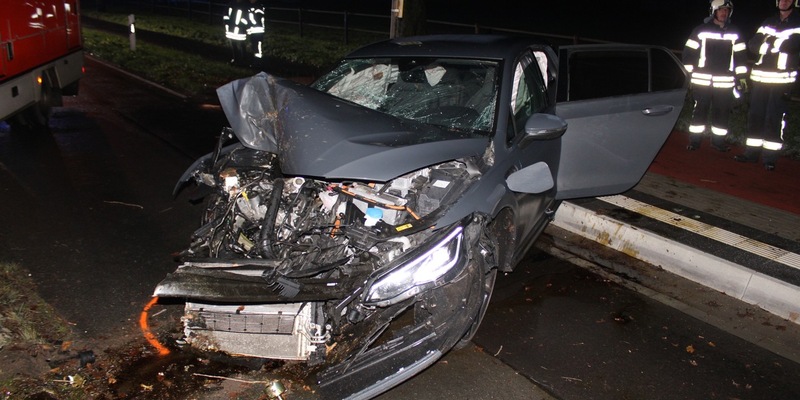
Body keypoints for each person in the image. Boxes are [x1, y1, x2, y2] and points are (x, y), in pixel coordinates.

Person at [735, 0, 800, 170]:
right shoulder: (768, 22)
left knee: (775, 118)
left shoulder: (798, 22)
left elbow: (793, 45)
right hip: (760, 78)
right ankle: (751, 153)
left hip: (782, 80)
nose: (784, 2)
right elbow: (753, 45)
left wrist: (770, 43)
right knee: (755, 116)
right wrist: (776, 44)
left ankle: (770, 158)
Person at [682, 0, 748, 152]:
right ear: (714, 11)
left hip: (725, 83)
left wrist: (742, 78)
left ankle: (718, 142)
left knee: (722, 113)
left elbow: (741, 58)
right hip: (702, 81)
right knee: (700, 113)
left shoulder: (735, 33)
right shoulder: (700, 30)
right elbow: (688, 55)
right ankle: (695, 142)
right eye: (721, 10)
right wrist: (689, 76)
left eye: (727, 10)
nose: (724, 13)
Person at [224, 0, 248, 66]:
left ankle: (243, 60)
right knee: (234, 45)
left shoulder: (244, 5)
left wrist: (242, 25)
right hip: (232, 29)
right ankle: (236, 59)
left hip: (240, 30)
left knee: (241, 44)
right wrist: (227, 23)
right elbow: (226, 15)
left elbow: (246, 18)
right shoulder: (231, 4)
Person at [245, 0, 266, 65]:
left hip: (257, 30)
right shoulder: (254, 6)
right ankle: (256, 61)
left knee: (257, 46)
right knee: (255, 46)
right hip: (254, 30)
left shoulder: (258, 7)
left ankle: (258, 62)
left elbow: (255, 19)